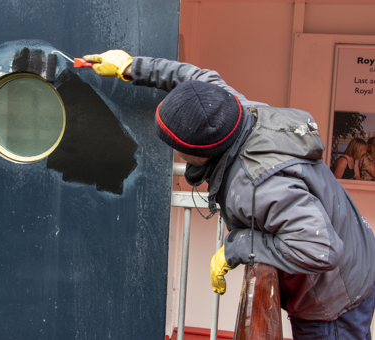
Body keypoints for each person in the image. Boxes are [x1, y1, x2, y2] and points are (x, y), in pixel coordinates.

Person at [83, 50, 375, 339]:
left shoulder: (258, 184)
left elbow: (321, 250)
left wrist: (239, 246)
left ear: (200, 153)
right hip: (357, 247)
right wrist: (131, 66)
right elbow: (195, 78)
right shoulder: (234, 111)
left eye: (176, 146)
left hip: (336, 298)